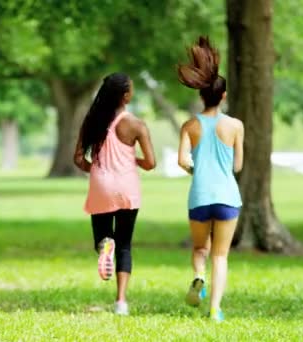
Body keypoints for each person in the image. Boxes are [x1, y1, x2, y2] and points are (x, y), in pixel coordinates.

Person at [74, 72, 156, 315]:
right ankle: (121, 302)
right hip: (127, 186)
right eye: (131, 89)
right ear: (125, 96)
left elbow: (78, 159)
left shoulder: (92, 121)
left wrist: (98, 169)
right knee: (125, 245)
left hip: (101, 185)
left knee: (104, 239)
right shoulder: (136, 124)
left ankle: (103, 246)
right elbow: (151, 163)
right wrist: (134, 161)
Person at [176, 36, 244, 322]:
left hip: (200, 196)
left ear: (201, 95)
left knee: (200, 249)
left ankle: (198, 276)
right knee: (221, 255)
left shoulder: (190, 126)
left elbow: (181, 160)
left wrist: (196, 171)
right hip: (227, 197)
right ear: (223, 96)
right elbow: (238, 166)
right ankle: (215, 309)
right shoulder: (235, 125)